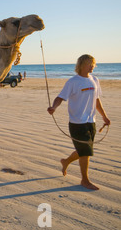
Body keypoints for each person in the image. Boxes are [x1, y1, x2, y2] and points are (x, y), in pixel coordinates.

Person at [47, 54, 111, 190]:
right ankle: (85, 180)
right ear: (81, 65)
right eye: (90, 63)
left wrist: (104, 117)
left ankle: (65, 161)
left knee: (84, 150)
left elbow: (97, 100)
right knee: (86, 152)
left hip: (91, 121)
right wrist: (54, 107)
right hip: (77, 123)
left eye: (93, 63)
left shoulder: (95, 80)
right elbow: (60, 97)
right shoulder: (73, 82)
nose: (92, 66)